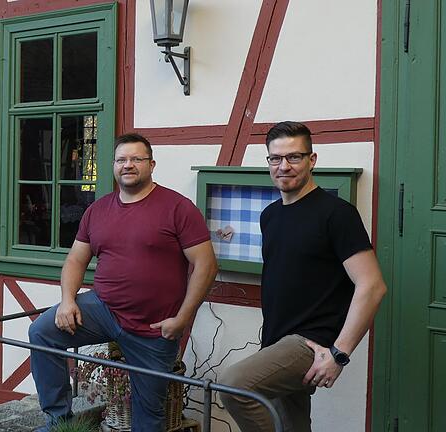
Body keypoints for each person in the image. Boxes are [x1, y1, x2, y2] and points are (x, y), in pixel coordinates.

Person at [28, 133, 218, 431]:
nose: (128, 165)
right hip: (103, 308)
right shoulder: (98, 210)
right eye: (121, 159)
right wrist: (67, 300)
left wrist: (182, 318)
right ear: (114, 166)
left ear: (151, 164)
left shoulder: (177, 208)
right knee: (42, 331)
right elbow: (76, 259)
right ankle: (59, 420)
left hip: (154, 327)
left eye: (136, 159)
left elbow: (205, 264)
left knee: (149, 412)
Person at [219, 121, 388, 432]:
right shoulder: (270, 215)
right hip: (275, 339)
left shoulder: (337, 214)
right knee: (292, 425)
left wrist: (339, 354)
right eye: (275, 158)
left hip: (310, 343)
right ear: (268, 161)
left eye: (294, 157)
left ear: (312, 160)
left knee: (234, 385)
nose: (284, 166)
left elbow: (372, 285)